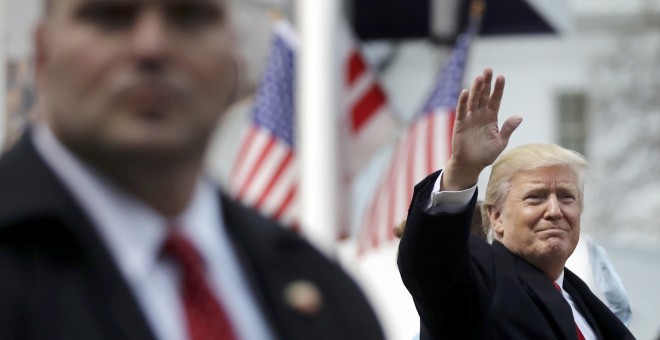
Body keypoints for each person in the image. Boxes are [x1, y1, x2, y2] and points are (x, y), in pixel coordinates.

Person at [0, 1, 384, 339]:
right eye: (111, 15)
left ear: (233, 53)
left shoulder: (325, 294)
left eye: (190, 16)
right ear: (43, 51)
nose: (153, 46)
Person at [397, 67, 635, 339]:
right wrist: (462, 172)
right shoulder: (480, 277)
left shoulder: (583, 300)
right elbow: (431, 262)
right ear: (496, 217)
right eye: (536, 197)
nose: (555, 211)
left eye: (567, 197)